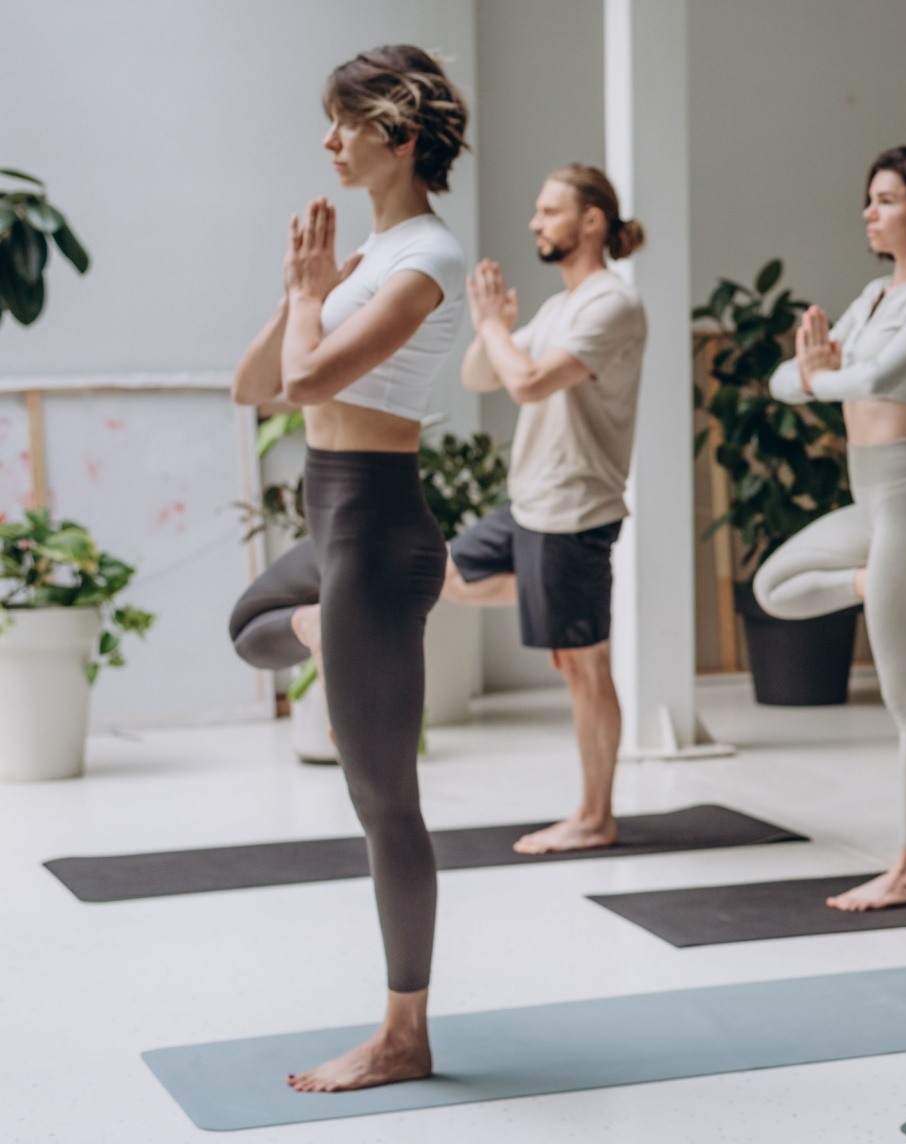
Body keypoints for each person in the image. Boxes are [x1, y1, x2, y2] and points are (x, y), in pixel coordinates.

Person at [226, 45, 469, 1092]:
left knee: (384, 800)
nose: (330, 143)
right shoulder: (366, 261)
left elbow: (314, 373)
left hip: (376, 526)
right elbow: (257, 387)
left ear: (401, 136)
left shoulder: (430, 260)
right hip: (331, 520)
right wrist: (304, 293)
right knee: (250, 626)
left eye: (346, 124)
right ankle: (329, 630)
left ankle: (403, 1032)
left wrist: (305, 295)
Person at [753, 145, 906, 912]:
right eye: (870, 198)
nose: (869, 211)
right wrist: (818, 374)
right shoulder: (874, 295)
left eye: (885, 198)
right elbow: (789, 379)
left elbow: (874, 379)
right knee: (774, 587)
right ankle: (872, 583)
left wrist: (820, 375)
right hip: (875, 510)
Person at [447, 165, 648, 855]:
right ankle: (547, 599)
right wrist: (495, 328)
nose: (535, 222)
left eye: (548, 210)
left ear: (591, 222)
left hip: (574, 509)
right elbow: (483, 374)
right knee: (444, 576)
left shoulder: (609, 305)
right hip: (529, 502)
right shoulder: (560, 308)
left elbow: (528, 382)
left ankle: (595, 816)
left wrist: (494, 332)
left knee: (585, 666)